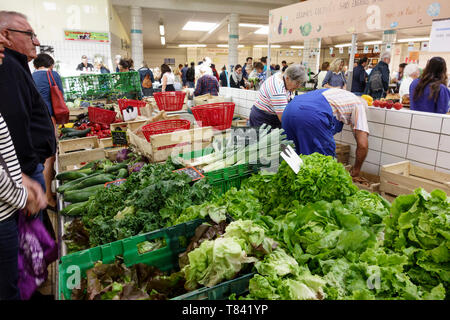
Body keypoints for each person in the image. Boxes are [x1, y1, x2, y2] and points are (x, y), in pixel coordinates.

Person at [0, 11, 56, 224]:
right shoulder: (8, 68)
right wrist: (27, 171)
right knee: (31, 241)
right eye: (30, 35)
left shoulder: (16, 65)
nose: (37, 42)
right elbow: (14, 125)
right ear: (7, 34)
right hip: (23, 174)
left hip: (26, 172)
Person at [282, 88, 369, 177]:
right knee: (323, 163)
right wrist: (356, 170)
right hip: (311, 115)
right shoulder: (359, 105)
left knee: (292, 158)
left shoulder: (338, 94)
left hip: (289, 110)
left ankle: (291, 186)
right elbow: (363, 145)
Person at [32, 53, 63, 208]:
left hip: (32, 122)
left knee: (39, 158)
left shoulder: (30, 76)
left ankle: (41, 194)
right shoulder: (53, 75)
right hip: (48, 119)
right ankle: (47, 197)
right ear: (51, 64)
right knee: (49, 157)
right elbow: (60, 97)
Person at [249, 64, 307, 129]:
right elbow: (283, 119)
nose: (298, 86)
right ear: (287, 78)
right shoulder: (278, 91)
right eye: (297, 83)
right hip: (262, 118)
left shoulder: (280, 75)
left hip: (271, 114)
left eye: (300, 84)